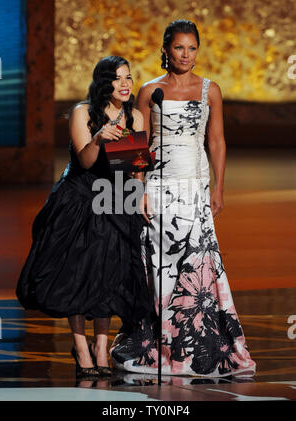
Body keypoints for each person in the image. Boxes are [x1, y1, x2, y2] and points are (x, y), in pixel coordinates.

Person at [110, 21, 256, 377]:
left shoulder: (210, 90)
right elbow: (135, 142)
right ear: (166, 49)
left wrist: (218, 188)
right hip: (158, 187)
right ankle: (159, 343)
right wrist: (138, 187)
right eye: (179, 48)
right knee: (158, 263)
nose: (186, 55)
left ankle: (198, 343)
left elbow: (217, 141)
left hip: (194, 185)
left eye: (192, 48)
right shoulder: (147, 91)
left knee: (197, 265)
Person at [16, 56, 151, 379]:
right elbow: (87, 162)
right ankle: (80, 347)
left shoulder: (134, 116)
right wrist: (99, 139)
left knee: (109, 275)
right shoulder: (82, 112)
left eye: (129, 78)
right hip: (80, 198)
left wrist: (138, 196)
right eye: (118, 78)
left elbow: (136, 169)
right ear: (104, 82)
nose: (125, 84)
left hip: (116, 199)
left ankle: (101, 347)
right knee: (79, 274)